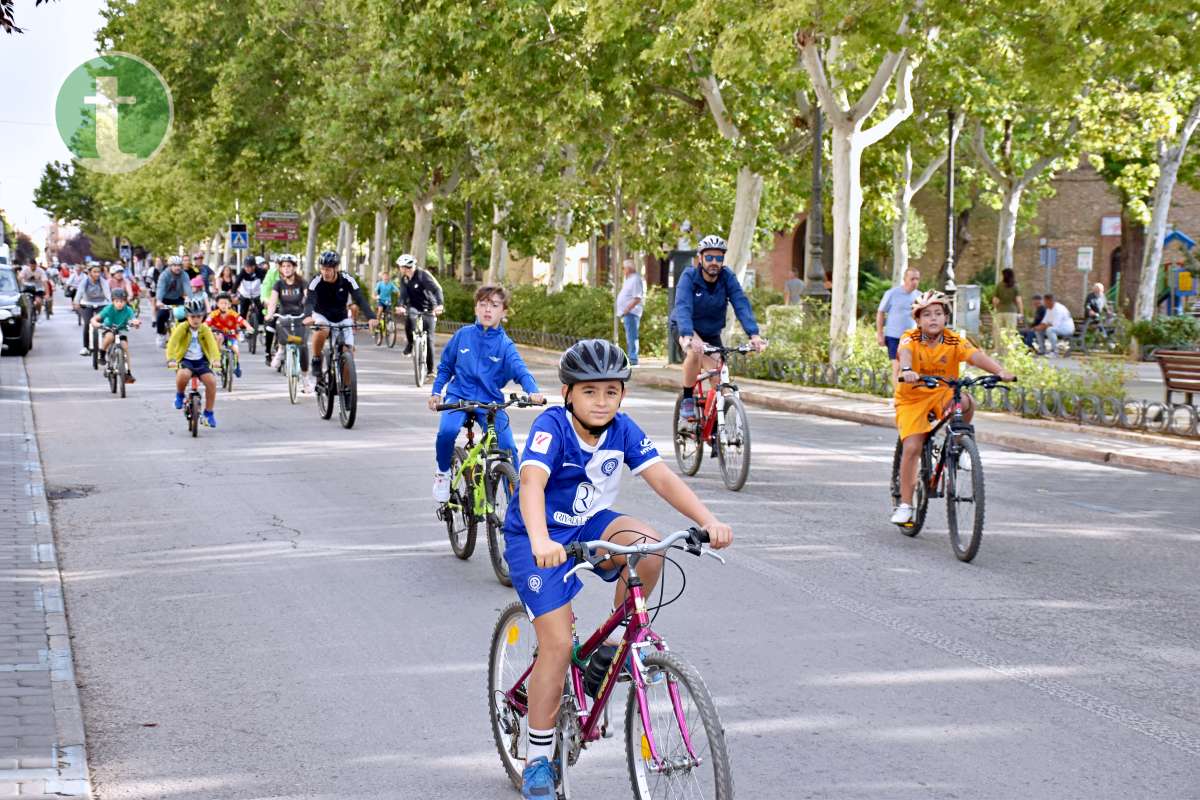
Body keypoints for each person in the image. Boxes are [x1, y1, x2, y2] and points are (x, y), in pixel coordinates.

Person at [501, 338, 734, 798]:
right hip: (538, 538)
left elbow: (662, 477)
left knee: (649, 547)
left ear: (622, 395)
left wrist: (706, 521)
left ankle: (612, 644)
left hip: (590, 526)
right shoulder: (553, 428)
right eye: (590, 392)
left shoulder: (623, 430)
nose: (601, 401)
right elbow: (531, 484)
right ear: (568, 393)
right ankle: (538, 757)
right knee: (555, 643)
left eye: (611, 391)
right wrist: (542, 540)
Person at [891, 292, 1015, 524]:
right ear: (918, 320)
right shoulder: (910, 337)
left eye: (938, 313)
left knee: (966, 401)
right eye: (926, 315)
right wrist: (907, 370)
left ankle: (958, 445)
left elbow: (975, 355)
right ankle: (906, 505)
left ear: (946, 318)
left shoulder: (953, 340)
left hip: (942, 392)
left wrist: (999, 371)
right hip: (913, 397)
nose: (933, 319)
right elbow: (905, 353)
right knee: (912, 446)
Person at [428, 285, 539, 502]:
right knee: (447, 432)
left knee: (508, 448)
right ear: (476, 308)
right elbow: (445, 367)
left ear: (503, 312)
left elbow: (521, 371)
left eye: (494, 305)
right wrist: (436, 392)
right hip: (458, 397)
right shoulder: (463, 335)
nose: (488, 309)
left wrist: (533, 391)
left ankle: (516, 503)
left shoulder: (506, 345)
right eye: (483, 304)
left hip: (490, 403)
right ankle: (443, 473)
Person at [668, 234, 767, 427]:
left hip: (711, 332)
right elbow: (683, 306)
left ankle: (716, 427)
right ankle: (688, 398)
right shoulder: (689, 276)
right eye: (710, 257)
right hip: (686, 327)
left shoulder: (727, 277)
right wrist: (688, 335)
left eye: (719, 258)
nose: (714, 262)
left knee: (720, 378)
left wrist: (754, 334)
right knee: (695, 353)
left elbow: (740, 303)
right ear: (700, 259)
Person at [302, 250, 377, 389]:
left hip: (341, 317)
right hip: (322, 315)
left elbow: (360, 298)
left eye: (328, 269)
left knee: (348, 352)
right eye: (323, 268)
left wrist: (371, 317)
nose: (325, 272)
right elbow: (310, 301)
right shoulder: (316, 280)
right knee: (322, 329)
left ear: (336, 268)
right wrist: (307, 316)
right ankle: (317, 359)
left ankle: (348, 389)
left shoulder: (347, 279)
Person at [167, 297, 221, 429]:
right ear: (187, 316)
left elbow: (212, 345)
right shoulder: (182, 328)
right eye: (192, 317)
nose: (196, 320)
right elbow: (172, 343)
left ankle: (208, 413)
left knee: (211, 381)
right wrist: (171, 359)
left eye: (199, 316)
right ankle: (179, 395)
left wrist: (215, 359)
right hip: (185, 360)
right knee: (183, 375)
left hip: (202, 361)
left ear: (203, 316)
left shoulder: (205, 329)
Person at [266, 254, 312, 393]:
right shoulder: (278, 284)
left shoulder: (302, 282)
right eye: (283, 266)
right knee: (279, 323)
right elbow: (273, 301)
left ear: (294, 267)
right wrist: (269, 313)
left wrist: (310, 312)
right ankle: (280, 350)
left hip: (300, 316)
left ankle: (305, 379)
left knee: (302, 345)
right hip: (284, 316)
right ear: (280, 268)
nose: (286, 269)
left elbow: (308, 298)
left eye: (289, 266)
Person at [396, 253, 444, 380]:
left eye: (401, 267)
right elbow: (402, 295)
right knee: (410, 318)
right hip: (414, 307)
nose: (400, 269)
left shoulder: (423, 275)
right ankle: (411, 343)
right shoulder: (404, 279)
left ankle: (430, 371)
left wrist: (439, 305)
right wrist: (401, 305)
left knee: (429, 339)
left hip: (429, 307)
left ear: (406, 267)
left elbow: (437, 289)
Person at [876, 267, 923, 381]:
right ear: (905, 279)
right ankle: (897, 397)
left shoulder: (920, 296)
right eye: (912, 279)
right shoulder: (892, 293)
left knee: (910, 370)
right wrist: (880, 334)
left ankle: (906, 395)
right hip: (894, 336)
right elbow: (880, 312)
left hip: (912, 338)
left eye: (917, 279)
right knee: (897, 367)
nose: (915, 282)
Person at [91, 288, 141, 383]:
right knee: (109, 337)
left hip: (121, 330)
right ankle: (102, 354)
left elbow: (133, 319)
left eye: (122, 301)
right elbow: (95, 319)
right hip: (109, 328)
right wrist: (96, 323)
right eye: (117, 301)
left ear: (126, 302)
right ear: (113, 301)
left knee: (125, 347)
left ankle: (128, 373)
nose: (119, 304)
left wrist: (136, 323)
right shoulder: (108, 309)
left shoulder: (128, 310)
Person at [206, 293, 254, 378]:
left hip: (231, 336)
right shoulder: (213, 314)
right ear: (217, 304)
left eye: (226, 303)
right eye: (221, 303)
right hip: (219, 335)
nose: (224, 305)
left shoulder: (233, 313)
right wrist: (204, 328)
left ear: (230, 304)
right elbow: (206, 323)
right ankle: (217, 359)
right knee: (219, 338)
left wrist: (249, 327)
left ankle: (237, 366)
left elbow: (242, 320)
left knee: (236, 350)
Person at [155, 256, 195, 347]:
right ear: (170, 266)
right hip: (165, 300)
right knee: (161, 316)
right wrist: (159, 301)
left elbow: (187, 287)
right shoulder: (164, 275)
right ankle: (161, 335)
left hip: (178, 299)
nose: (177, 267)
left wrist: (190, 299)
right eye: (174, 265)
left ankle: (186, 335)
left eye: (179, 265)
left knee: (186, 316)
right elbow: (160, 288)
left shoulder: (184, 275)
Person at [73, 263, 112, 355]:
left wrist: (110, 304)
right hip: (87, 304)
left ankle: (105, 344)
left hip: (101, 303)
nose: (97, 274)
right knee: (87, 323)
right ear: (89, 272)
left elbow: (107, 293)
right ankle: (85, 347)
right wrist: (76, 302)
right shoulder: (84, 281)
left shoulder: (102, 281)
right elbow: (79, 293)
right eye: (94, 272)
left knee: (104, 322)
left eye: (98, 272)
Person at [615, 258, 644, 366]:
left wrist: (627, 309)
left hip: (631, 313)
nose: (623, 270)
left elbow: (637, 297)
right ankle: (631, 357)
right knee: (629, 336)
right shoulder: (629, 279)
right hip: (627, 313)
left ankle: (633, 359)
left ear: (629, 268)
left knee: (632, 336)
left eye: (623, 268)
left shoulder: (635, 279)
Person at [991, 268, 1024, 353]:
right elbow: (1018, 301)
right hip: (1012, 312)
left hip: (1000, 311)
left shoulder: (999, 285)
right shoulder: (1015, 286)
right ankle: (1009, 352)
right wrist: (1021, 313)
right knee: (1010, 333)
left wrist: (995, 308)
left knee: (998, 332)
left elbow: (995, 300)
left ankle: (998, 351)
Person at [235, 256, 267, 330]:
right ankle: (242, 329)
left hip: (257, 293)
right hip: (245, 294)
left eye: (249, 267)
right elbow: (237, 282)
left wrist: (265, 294)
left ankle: (261, 324)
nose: (247, 269)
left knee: (261, 308)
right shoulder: (243, 272)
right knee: (243, 312)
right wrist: (233, 293)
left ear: (254, 266)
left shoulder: (260, 271)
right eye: (246, 267)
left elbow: (265, 283)